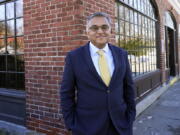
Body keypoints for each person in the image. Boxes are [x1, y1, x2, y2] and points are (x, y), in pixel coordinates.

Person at [60, 12, 136, 135]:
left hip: (121, 125)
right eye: (94, 28)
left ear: (110, 30)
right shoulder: (74, 57)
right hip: (86, 127)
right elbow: (66, 93)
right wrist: (71, 124)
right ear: (87, 32)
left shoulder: (122, 54)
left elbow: (129, 87)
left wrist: (131, 116)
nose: (100, 31)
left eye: (104, 27)